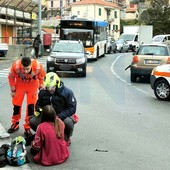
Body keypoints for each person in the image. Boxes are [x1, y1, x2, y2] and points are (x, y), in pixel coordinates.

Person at [29, 72, 77, 145]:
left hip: (61, 116)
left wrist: (60, 116)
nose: (50, 89)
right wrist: (39, 110)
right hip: (47, 116)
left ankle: (66, 137)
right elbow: (38, 105)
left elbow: (72, 108)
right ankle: (45, 135)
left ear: (57, 83)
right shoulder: (43, 92)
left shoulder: (68, 92)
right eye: (47, 87)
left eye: (52, 87)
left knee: (68, 123)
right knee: (32, 121)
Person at [7, 57, 46, 137]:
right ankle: (15, 123)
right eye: (24, 69)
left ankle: (27, 126)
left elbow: (42, 77)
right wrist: (13, 91)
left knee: (31, 107)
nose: (25, 71)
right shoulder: (16, 66)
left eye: (27, 69)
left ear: (31, 65)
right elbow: (11, 77)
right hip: (20, 84)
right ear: (21, 65)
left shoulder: (38, 66)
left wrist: (41, 86)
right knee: (16, 105)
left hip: (32, 84)